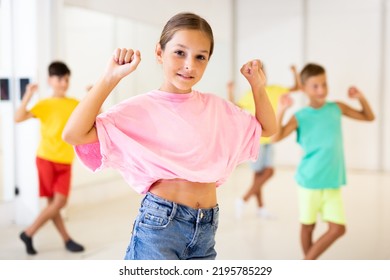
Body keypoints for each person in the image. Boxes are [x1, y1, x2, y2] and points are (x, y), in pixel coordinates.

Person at [62, 12, 276, 260]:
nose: (190, 65)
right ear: (159, 52)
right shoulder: (139, 108)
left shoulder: (217, 108)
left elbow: (268, 129)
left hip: (206, 226)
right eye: (179, 52)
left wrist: (258, 87)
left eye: (200, 57)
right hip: (160, 225)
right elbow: (74, 134)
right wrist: (110, 77)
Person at [272, 63, 375, 259]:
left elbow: (369, 117)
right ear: (303, 89)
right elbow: (276, 137)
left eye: (324, 84)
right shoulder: (300, 116)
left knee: (338, 228)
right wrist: (281, 110)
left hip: (332, 181)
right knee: (308, 226)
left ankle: (306, 264)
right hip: (309, 181)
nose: (322, 90)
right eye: (315, 86)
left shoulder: (337, 107)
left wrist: (360, 97)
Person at [14, 61, 84, 255]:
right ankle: (67, 240)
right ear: (50, 80)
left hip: (65, 160)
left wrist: (95, 94)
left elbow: (95, 117)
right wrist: (28, 94)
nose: (64, 82)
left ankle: (28, 233)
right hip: (46, 159)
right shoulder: (44, 104)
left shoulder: (74, 104)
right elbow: (18, 117)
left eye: (66, 78)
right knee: (54, 205)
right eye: (60, 78)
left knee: (58, 203)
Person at [227, 65, 300, 219]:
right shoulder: (249, 94)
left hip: (270, 139)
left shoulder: (276, 89)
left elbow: (297, 87)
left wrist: (294, 72)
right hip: (256, 140)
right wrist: (230, 90)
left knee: (259, 176)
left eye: (261, 70)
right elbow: (234, 106)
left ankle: (259, 208)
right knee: (267, 172)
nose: (259, 73)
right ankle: (243, 199)